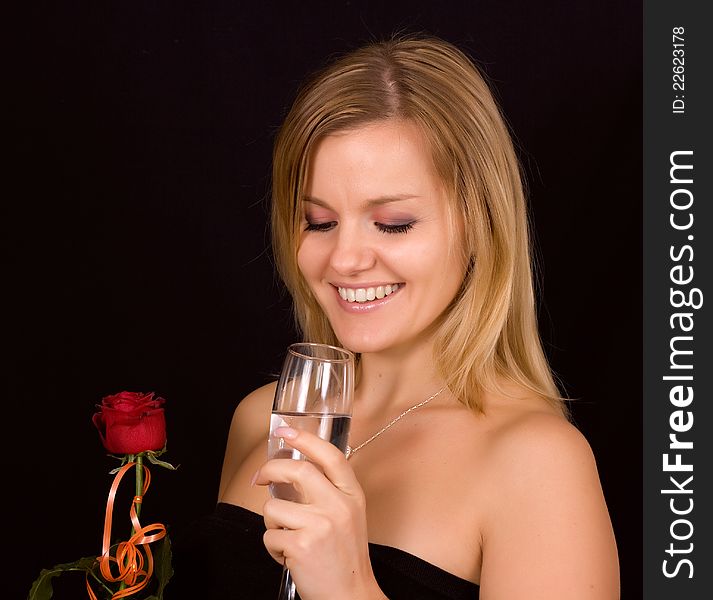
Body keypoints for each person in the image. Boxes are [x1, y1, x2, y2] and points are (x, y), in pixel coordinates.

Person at [170, 34, 620, 599]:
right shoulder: (266, 418)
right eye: (318, 221)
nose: (345, 259)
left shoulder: (538, 465)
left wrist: (349, 586)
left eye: (394, 223)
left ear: (479, 223)